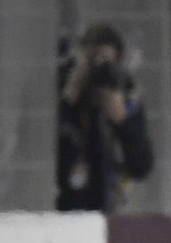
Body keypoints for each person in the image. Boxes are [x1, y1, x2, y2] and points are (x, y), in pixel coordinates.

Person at [57, 23, 153, 212]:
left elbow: (141, 167)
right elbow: (41, 147)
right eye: (92, 61)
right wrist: (70, 97)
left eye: (106, 63)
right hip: (63, 202)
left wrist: (122, 122)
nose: (99, 70)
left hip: (106, 203)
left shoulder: (126, 96)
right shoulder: (65, 90)